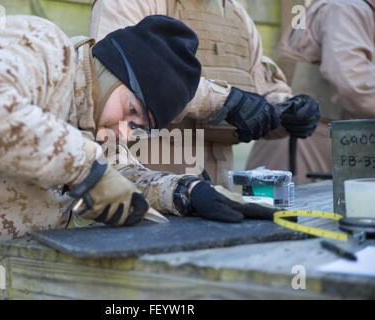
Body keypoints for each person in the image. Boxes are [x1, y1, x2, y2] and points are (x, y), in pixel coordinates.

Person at [0, 14, 281, 299]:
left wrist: (186, 192)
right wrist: (84, 169)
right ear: (111, 69)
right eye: (130, 110)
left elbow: (117, 170)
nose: (125, 132)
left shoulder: (96, 116)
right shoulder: (37, 43)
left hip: (3, 280)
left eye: (140, 127)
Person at [90, 0, 321, 188]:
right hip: (146, 186)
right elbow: (118, 78)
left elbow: (258, 90)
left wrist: (286, 111)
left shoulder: (237, 17)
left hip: (218, 188)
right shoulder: (129, 3)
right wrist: (227, 101)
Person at [247, 0, 375, 184]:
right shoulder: (347, 8)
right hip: (304, 142)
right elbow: (354, 85)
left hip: (315, 139)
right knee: (292, 209)